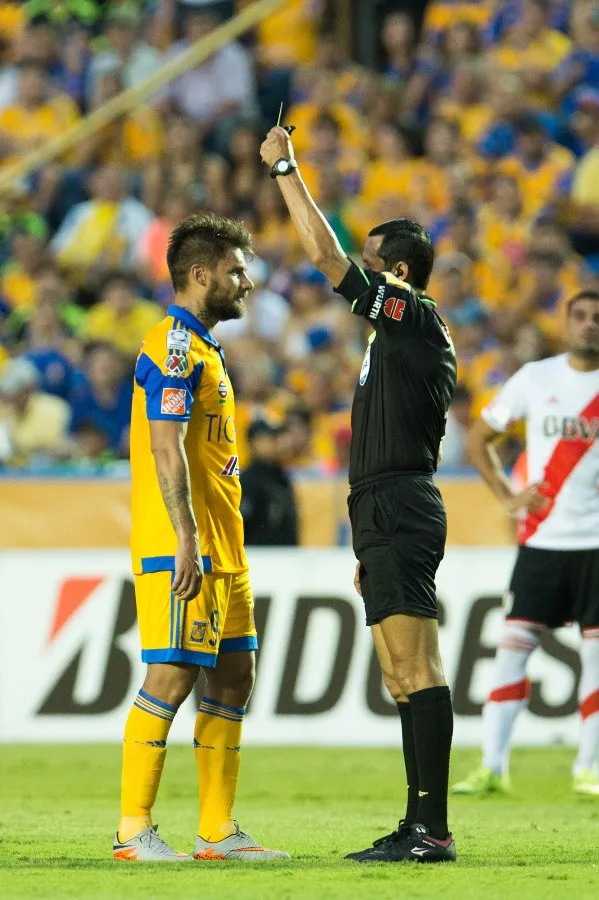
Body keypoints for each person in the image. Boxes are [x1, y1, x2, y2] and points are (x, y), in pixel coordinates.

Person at [260, 127, 457, 863]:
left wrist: (284, 168)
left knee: (416, 667)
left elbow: (321, 257)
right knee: (395, 672)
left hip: (400, 502)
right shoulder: (397, 338)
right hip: (380, 506)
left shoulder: (413, 314)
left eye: (372, 265)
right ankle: (418, 824)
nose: (360, 276)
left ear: (396, 272)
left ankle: (431, 831)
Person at [114, 212, 290, 862]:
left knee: (234, 674)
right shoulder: (174, 347)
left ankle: (216, 830)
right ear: (199, 274)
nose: (247, 281)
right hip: (182, 543)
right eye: (237, 271)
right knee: (172, 672)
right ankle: (132, 830)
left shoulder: (206, 347)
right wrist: (185, 535)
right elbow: (165, 447)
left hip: (224, 546)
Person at [452, 291, 599, 797]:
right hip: (543, 541)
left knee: (596, 657)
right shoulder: (537, 379)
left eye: (597, 319)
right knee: (513, 651)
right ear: (565, 322)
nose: (589, 326)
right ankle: (493, 766)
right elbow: (477, 438)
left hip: (596, 543)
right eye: (580, 317)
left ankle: (589, 767)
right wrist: (510, 497)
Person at [240, 419, 298, 547]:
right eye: (268, 438)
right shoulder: (249, 480)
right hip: (258, 556)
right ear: (253, 442)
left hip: (286, 556)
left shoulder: (281, 477)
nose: (274, 442)